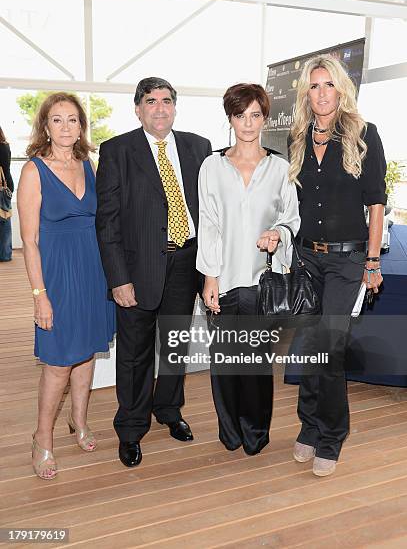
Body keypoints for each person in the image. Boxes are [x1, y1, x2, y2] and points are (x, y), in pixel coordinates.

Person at [96, 77, 212, 468]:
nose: (159, 108)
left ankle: (168, 410)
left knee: (176, 345)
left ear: (174, 107)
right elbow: (107, 222)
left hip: (186, 262)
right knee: (134, 354)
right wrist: (118, 278)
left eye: (166, 101)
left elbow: (211, 212)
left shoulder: (199, 147)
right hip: (137, 267)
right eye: (150, 101)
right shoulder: (117, 151)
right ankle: (130, 429)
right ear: (138, 108)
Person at [287, 54, 386, 476]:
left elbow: (376, 204)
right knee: (309, 349)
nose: (321, 93)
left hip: (347, 263)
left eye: (328, 84)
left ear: (341, 88)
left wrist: (373, 260)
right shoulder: (298, 138)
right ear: (306, 94)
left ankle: (331, 436)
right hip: (306, 259)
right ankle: (308, 428)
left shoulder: (364, 135)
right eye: (314, 86)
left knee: (328, 350)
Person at [197, 83, 300, 455]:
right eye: (240, 115)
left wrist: (278, 232)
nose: (248, 123)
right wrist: (209, 276)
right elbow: (207, 223)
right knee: (224, 362)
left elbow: (292, 218)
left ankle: (255, 432)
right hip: (223, 280)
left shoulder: (280, 168)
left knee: (256, 363)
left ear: (265, 118)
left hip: (261, 283)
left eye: (255, 115)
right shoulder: (212, 165)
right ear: (230, 119)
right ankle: (230, 431)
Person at [17, 92, 115, 480]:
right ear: (45, 126)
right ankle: (42, 437)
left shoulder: (88, 164)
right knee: (58, 362)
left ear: (81, 127)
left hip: (92, 272)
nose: (65, 127)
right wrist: (40, 296)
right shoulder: (32, 171)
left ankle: (79, 420)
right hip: (56, 275)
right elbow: (29, 241)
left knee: (87, 353)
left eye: (72, 120)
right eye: (57, 120)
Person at [0, 125, 13, 261]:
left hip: (2, 187)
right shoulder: (5, 146)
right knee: (5, 219)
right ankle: (5, 253)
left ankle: (4, 254)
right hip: (7, 185)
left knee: (3, 221)